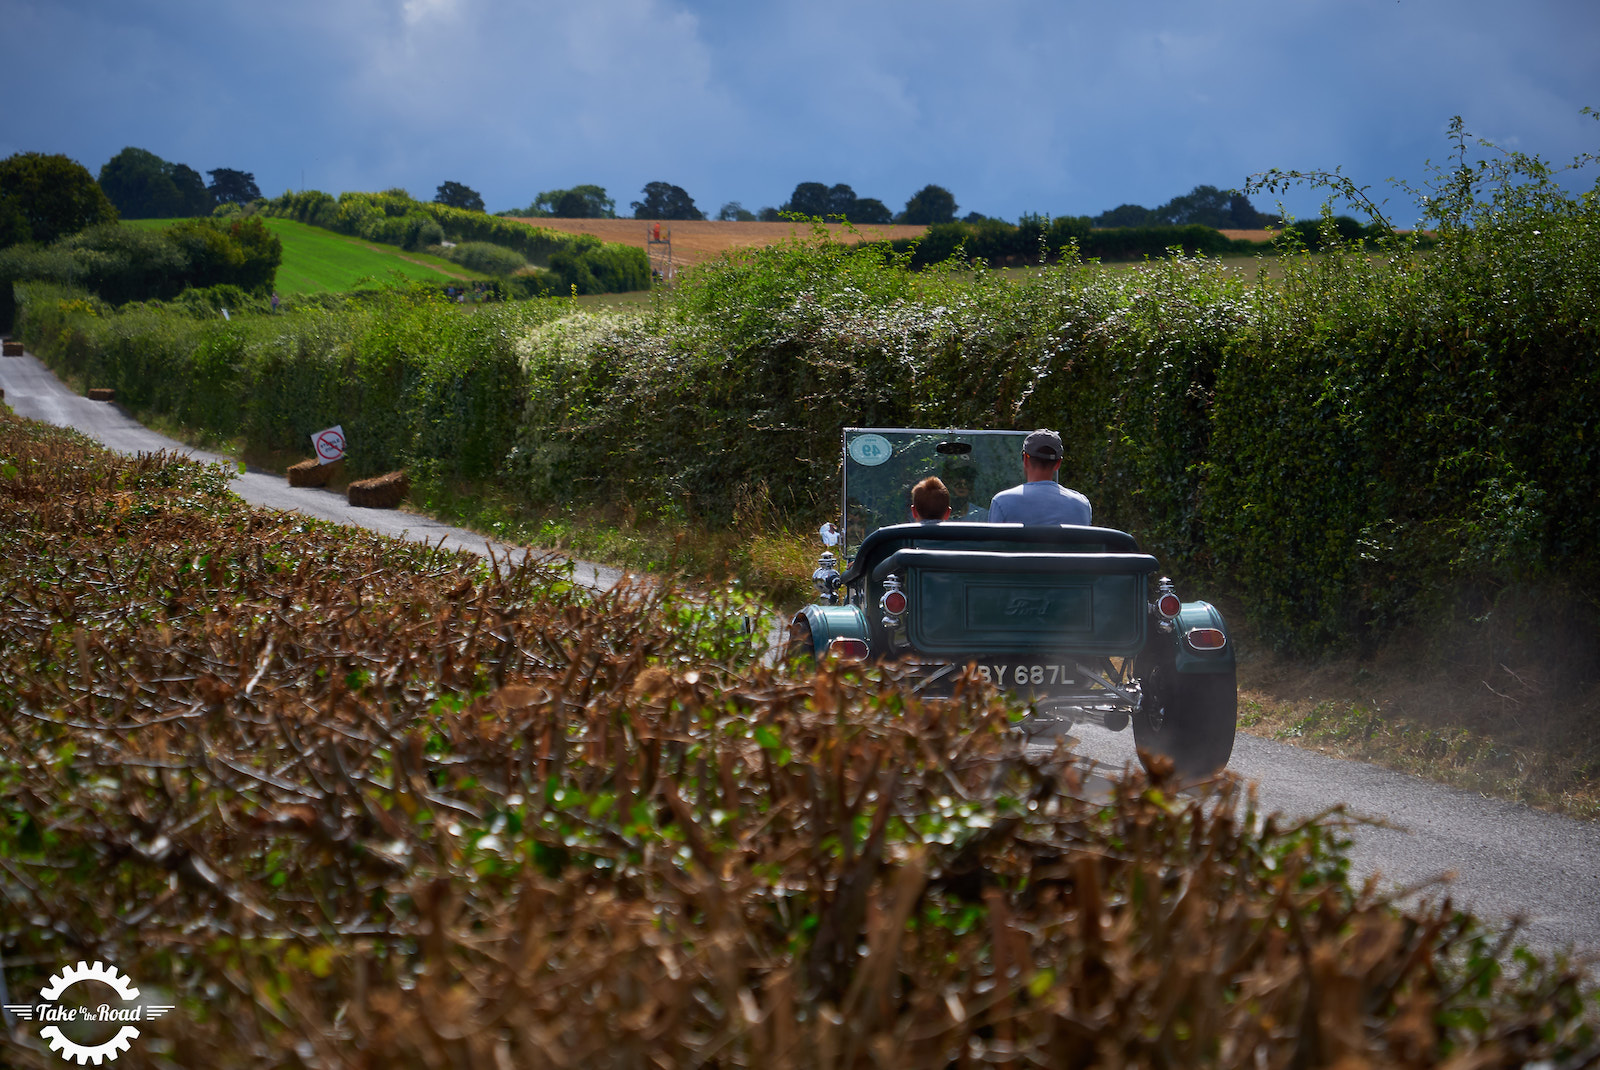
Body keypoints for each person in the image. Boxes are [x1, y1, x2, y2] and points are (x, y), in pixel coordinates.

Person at [987, 429, 1092, 525]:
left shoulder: (1002, 502)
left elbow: (993, 545)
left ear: (1025, 459)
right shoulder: (1082, 505)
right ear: (1058, 463)